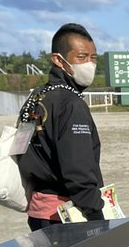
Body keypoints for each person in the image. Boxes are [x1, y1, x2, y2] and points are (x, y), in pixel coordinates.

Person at [18, 23, 104, 231]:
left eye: (93, 58)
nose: (89, 64)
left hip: (38, 210)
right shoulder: (70, 104)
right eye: (81, 57)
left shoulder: (37, 96)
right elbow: (78, 169)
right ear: (58, 59)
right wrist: (96, 213)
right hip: (66, 213)